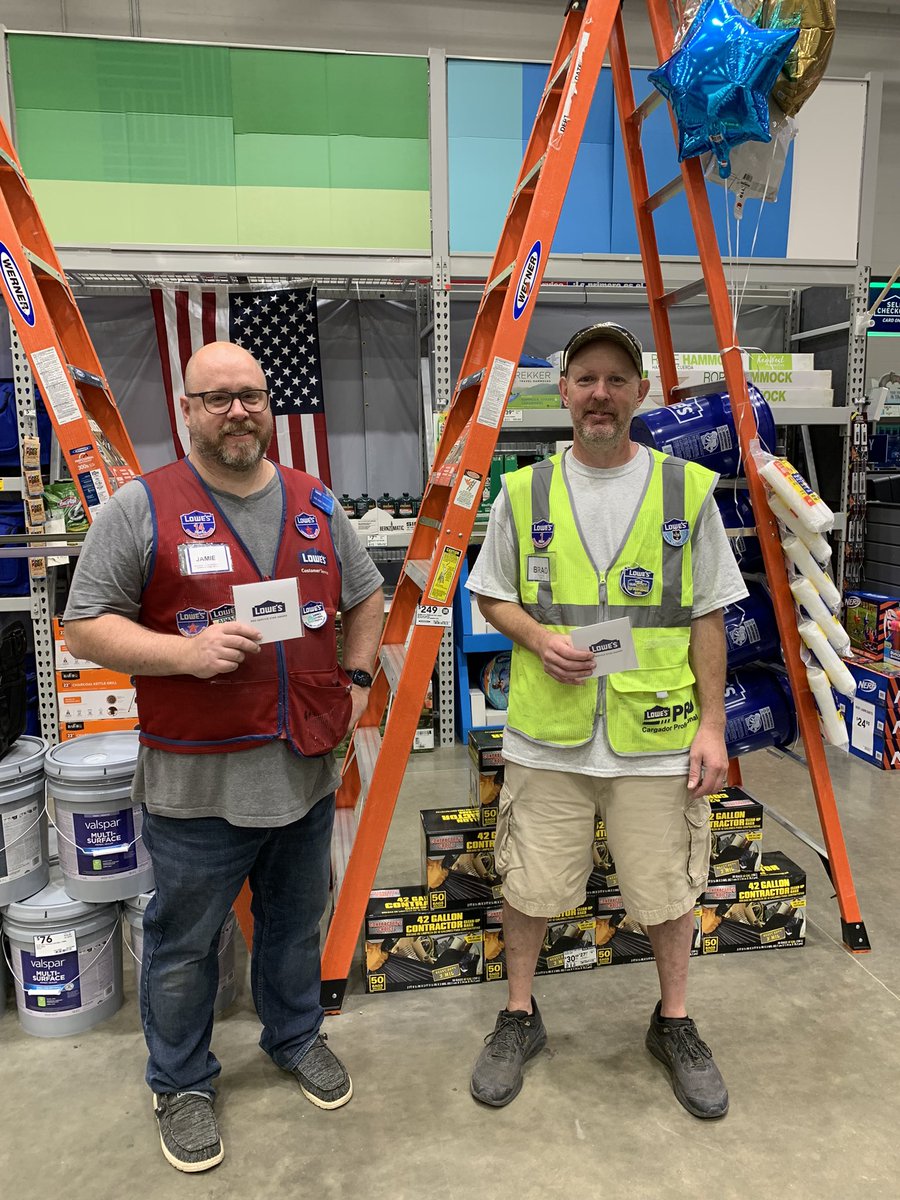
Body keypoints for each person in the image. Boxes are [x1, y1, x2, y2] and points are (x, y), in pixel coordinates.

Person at [63, 341, 385, 1172]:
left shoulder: (317, 504)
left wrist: (355, 679)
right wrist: (184, 654)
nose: (237, 411)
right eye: (217, 399)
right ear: (188, 411)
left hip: (304, 770)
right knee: (183, 946)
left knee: (291, 927)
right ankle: (181, 1083)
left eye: (250, 395)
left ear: (268, 404)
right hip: (197, 782)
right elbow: (86, 621)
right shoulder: (142, 508)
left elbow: (366, 595)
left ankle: (295, 1036)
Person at [466, 322, 749, 1120]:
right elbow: (492, 593)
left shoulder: (687, 491)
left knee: (666, 889)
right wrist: (535, 636)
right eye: (585, 378)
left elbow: (709, 614)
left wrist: (713, 729)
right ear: (563, 391)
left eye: (616, 380)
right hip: (547, 734)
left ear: (641, 394)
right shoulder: (521, 492)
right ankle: (520, 1014)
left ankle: (675, 1022)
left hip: (657, 734)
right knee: (528, 882)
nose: (600, 394)